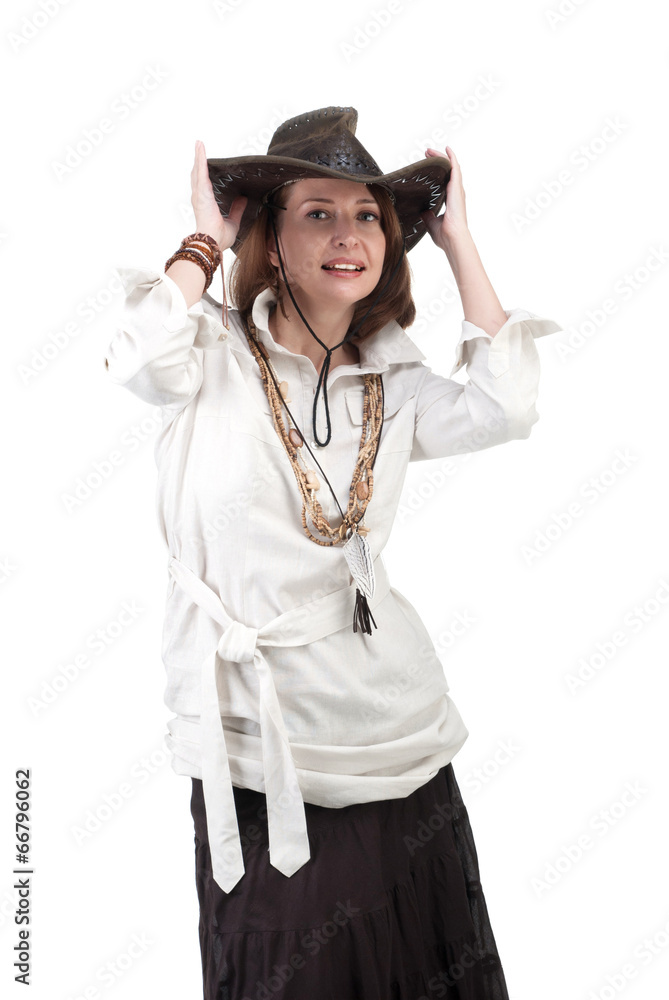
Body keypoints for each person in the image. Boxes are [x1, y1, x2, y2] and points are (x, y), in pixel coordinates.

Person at [104, 106, 561, 1000]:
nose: (347, 235)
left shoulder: (395, 378)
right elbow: (134, 360)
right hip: (255, 732)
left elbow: (507, 408)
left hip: (390, 729)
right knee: (287, 965)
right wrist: (202, 241)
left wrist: (456, 239)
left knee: (414, 959)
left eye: (368, 217)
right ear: (269, 237)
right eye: (316, 211)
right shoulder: (208, 352)